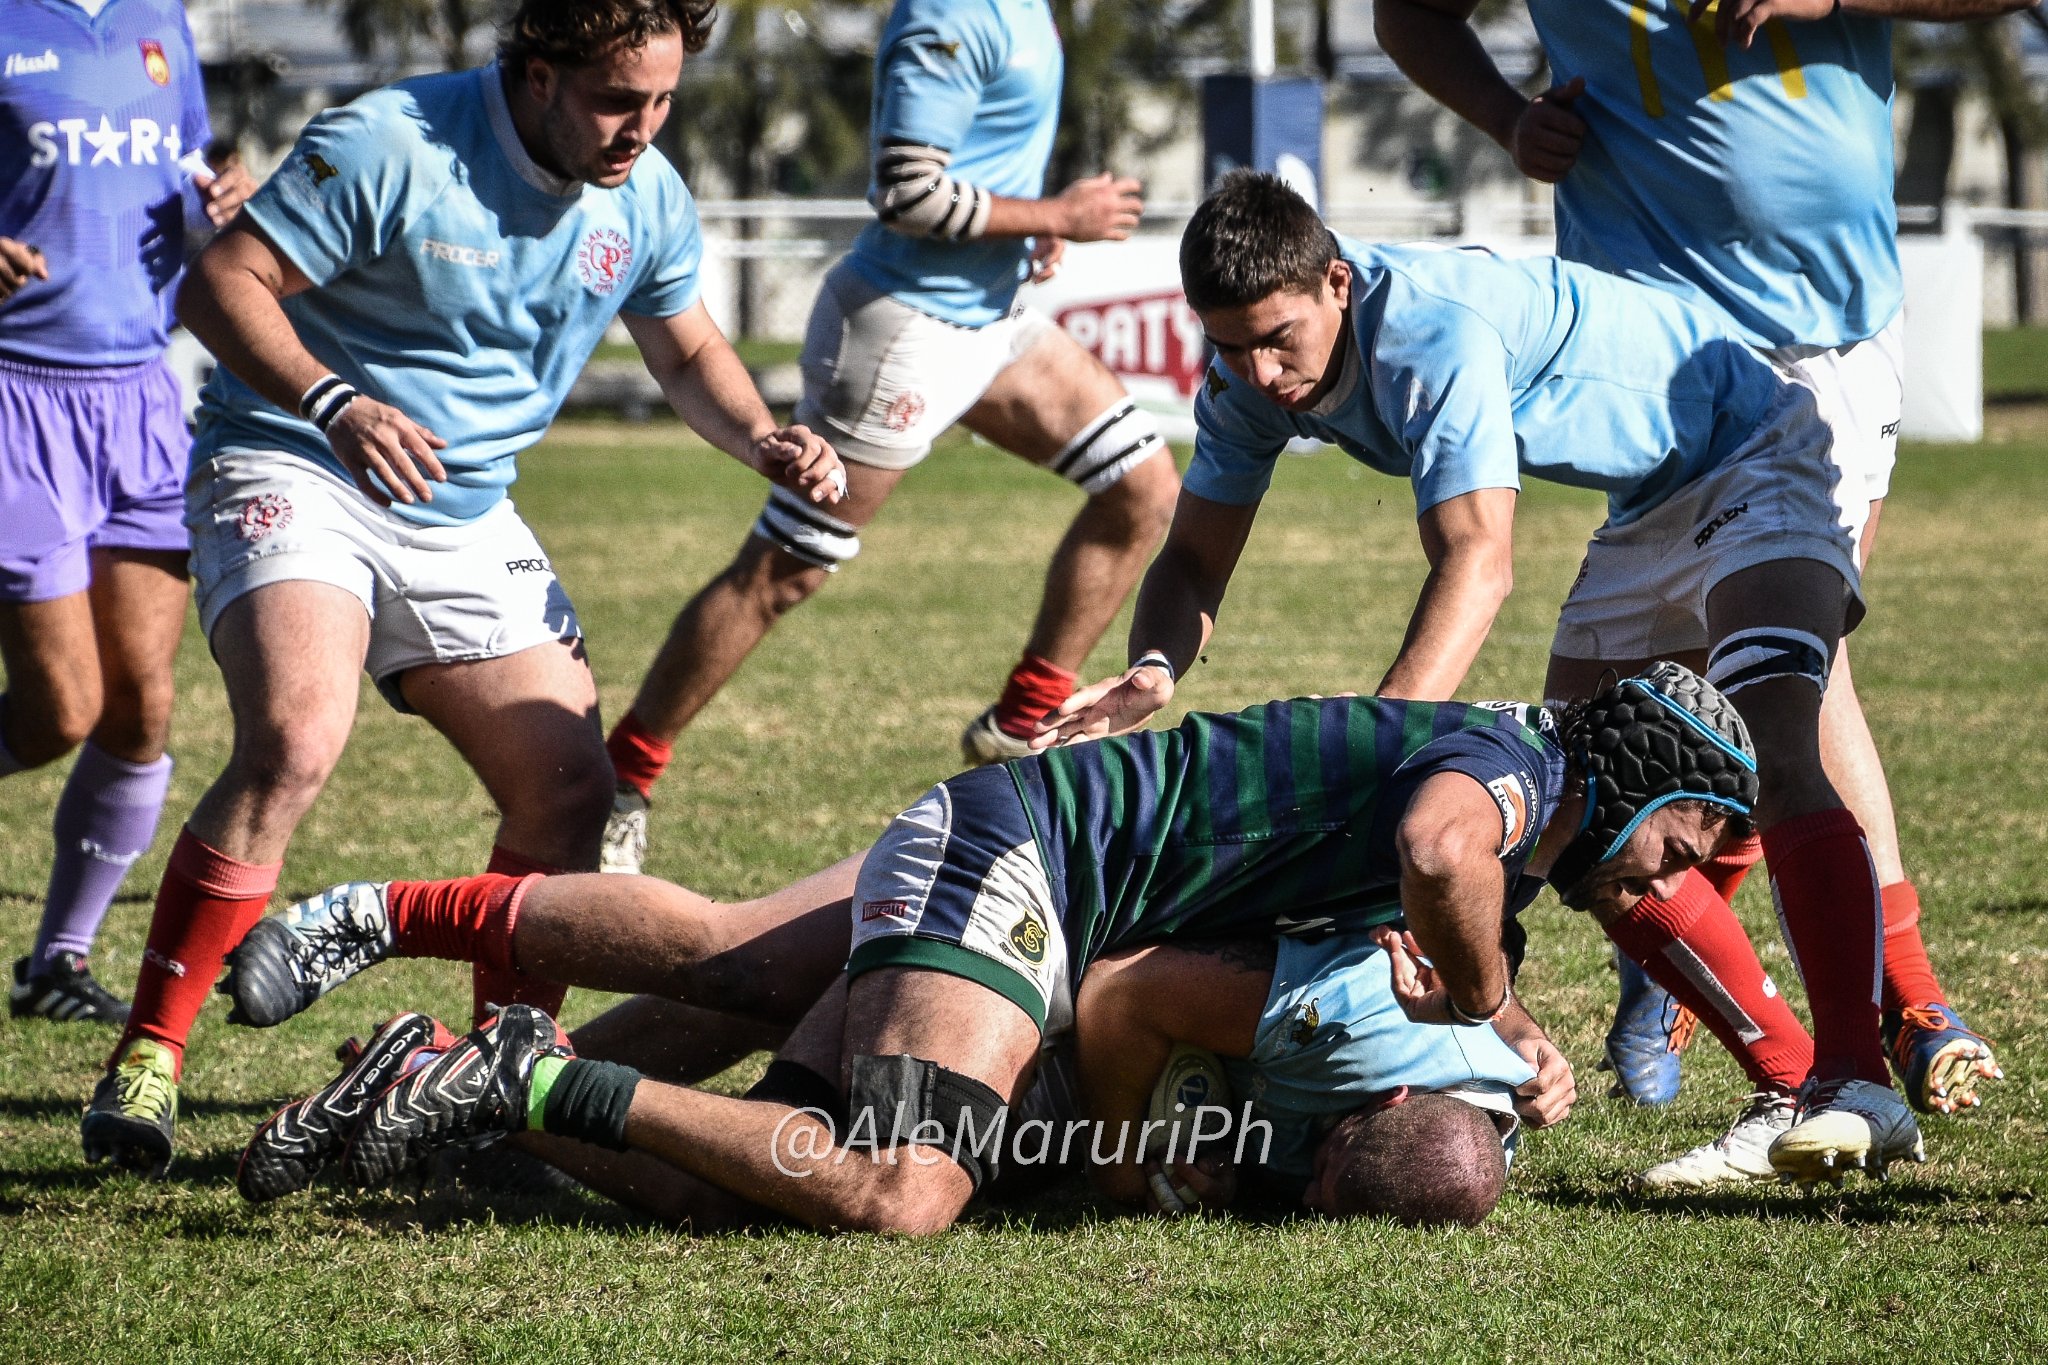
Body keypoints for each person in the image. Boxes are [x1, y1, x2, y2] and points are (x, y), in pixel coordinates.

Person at [78, 0, 846, 1178]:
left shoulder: (643, 196)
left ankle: (489, 1090)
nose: (641, 128)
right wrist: (335, 401)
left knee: (570, 792)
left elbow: (686, 349)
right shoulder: (391, 141)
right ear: (535, 75)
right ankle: (149, 1054)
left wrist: (760, 435)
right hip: (295, 455)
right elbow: (220, 283)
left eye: (663, 101)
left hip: (462, 505)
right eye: (614, 100)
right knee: (294, 736)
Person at [1040, 171, 1924, 1184]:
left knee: (1773, 747)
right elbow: (1191, 559)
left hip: (1761, 440)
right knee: (1581, 817)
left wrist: (1373, 773)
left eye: (1276, 339)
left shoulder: (1425, 332)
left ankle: (1869, 1063)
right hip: (1650, 498)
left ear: (1336, 282)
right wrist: (1153, 666)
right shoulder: (1247, 372)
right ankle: (1786, 1079)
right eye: (1227, 345)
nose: (1254, 370)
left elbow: (1477, 561)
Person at [223, 669, 1754, 1233]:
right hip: (1036, 857)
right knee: (900, 1179)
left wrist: (1509, 1020)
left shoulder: (1519, 803)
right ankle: (454, 997)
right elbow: (1436, 856)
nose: (1676, 884)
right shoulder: (1514, 770)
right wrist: (1493, 1003)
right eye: (1688, 845)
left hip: (1045, 863)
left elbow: (1428, 891)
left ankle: (436, 1087)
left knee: (730, 1131)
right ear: (1639, 776)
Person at [1370, 0, 2013, 1122]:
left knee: (1794, 689)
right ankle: (1778, 1029)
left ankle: (1878, 1023)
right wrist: (1504, 119)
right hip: (1652, 365)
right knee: (1602, 748)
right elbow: (1406, 12)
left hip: (1820, 347)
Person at [595, 0, 1181, 876]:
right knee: (781, 574)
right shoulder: (947, 14)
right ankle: (622, 778)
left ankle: (1025, 718)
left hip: (992, 319)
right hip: (904, 329)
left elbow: (979, 162)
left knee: (1144, 484)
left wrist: (1038, 223)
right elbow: (907, 191)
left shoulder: (1030, 12)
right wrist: (1053, 207)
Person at [237, 931, 1539, 1230]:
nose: (1297, 1187)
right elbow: (1127, 989)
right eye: (1317, 1175)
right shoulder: (1339, 1024)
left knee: (744, 991)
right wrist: (1128, 1161)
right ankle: (504, 1079)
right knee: (758, 1182)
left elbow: (1501, 1048)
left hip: (984, 949)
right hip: (999, 972)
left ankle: (443, 1078)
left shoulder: (1463, 1118)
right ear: (1373, 1104)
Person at [1, 0, 251, 1024]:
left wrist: (222, 194)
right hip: (16, 392)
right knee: (59, 711)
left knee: (140, 709)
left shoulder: (162, 23)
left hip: (143, 396)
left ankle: (59, 960)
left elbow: (189, 174)